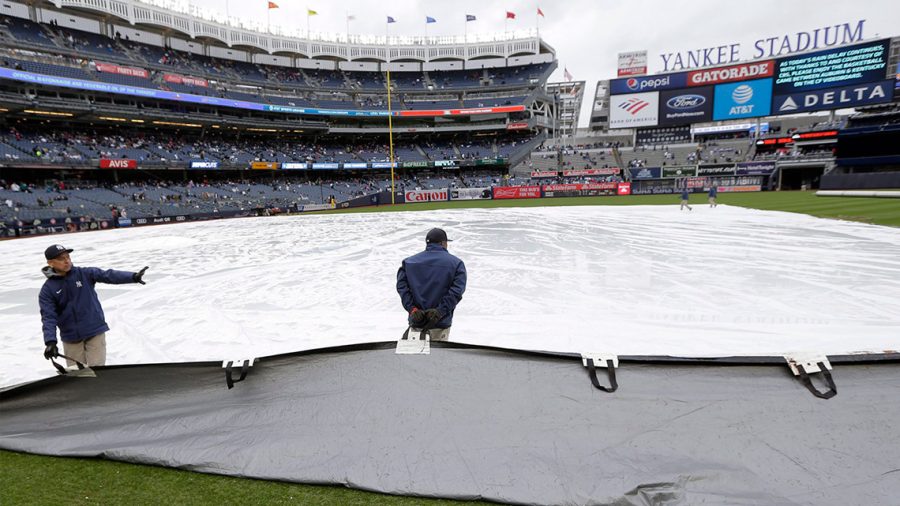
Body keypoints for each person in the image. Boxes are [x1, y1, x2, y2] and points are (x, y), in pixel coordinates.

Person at [39, 245, 149, 368]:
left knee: (98, 371)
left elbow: (108, 275)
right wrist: (50, 341)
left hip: (94, 331)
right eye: (61, 258)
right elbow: (49, 316)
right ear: (50, 263)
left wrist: (133, 277)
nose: (67, 261)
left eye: (67, 257)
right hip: (71, 337)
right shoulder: (48, 289)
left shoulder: (84, 274)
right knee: (77, 374)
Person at [396, 228, 467, 341]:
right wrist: (440, 311)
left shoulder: (408, 263)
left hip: (417, 322)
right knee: (438, 357)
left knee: (416, 356)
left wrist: (413, 309)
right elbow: (456, 292)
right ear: (443, 243)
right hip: (440, 324)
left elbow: (402, 288)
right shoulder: (456, 264)